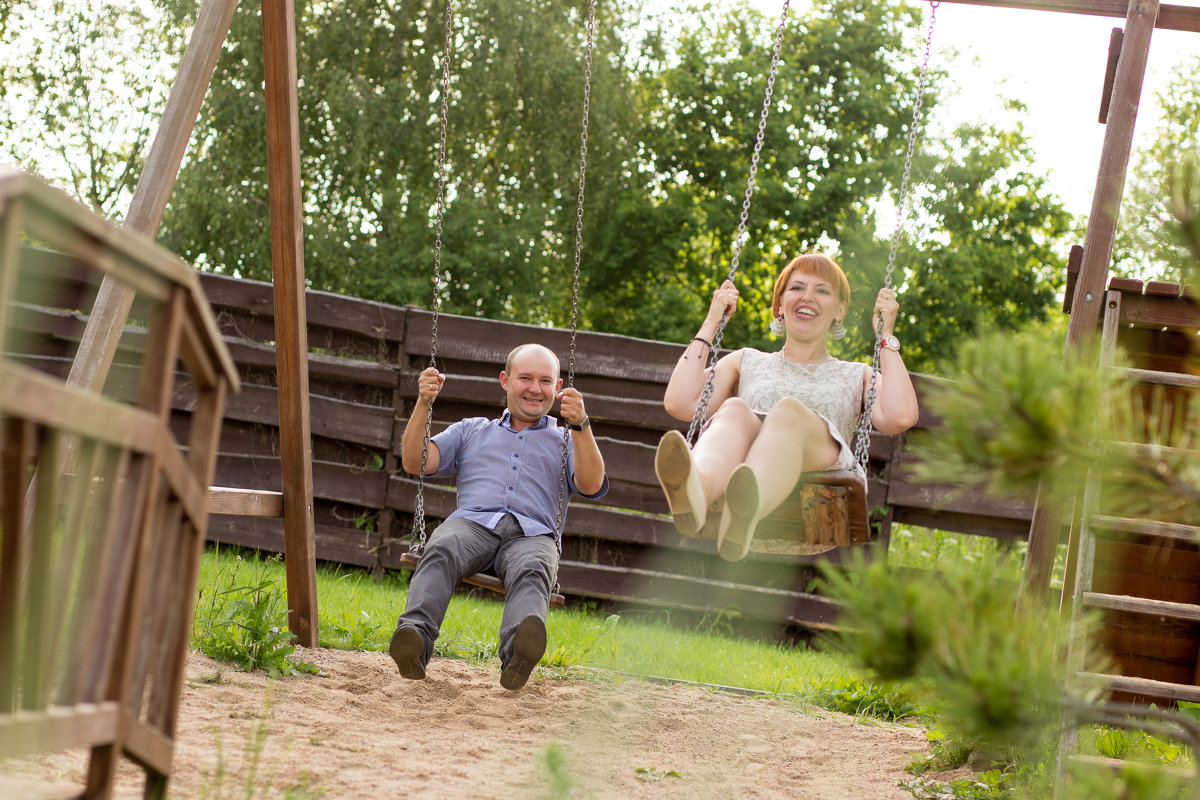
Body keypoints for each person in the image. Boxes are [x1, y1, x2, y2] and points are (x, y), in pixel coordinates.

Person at [655, 253, 919, 562]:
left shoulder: (857, 374)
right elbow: (680, 402)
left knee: (787, 412)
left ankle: (748, 507)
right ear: (779, 305)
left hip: (821, 475)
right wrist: (713, 319)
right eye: (796, 288)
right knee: (734, 411)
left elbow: (900, 416)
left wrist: (886, 336)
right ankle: (697, 493)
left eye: (822, 290)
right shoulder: (746, 361)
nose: (807, 296)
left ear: (840, 310)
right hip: (747, 461)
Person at [389, 343, 608, 691]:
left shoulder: (568, 440)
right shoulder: (471, 430)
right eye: (525, 378)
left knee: (535, 567)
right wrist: (423, 403)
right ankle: (413, 640)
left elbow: (592, 484)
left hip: (532, 535)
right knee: (442, 545)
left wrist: (582, 425)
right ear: (505, 380)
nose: (535, 388)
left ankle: (518, 657)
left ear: (558, 386)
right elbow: (416, 462)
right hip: (473, 525)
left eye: (545, 381)